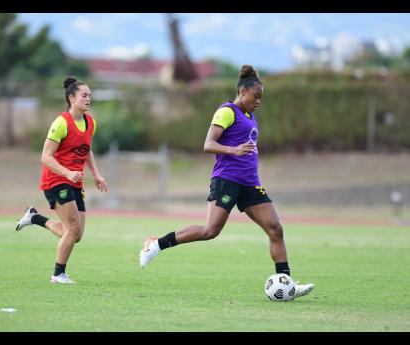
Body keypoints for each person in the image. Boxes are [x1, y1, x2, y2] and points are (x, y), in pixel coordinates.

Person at [139, 65, 314, 299]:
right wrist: (234, 150)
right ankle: (157, 244)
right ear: (243, 92)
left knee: (276, 229)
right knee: (210, 231)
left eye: (261, 97)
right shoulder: (227, 111)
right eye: (256, 96)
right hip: (227, 180)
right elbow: (208, 144)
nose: (259, 101)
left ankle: (288, 284)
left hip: (250, 184)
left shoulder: (250, 116)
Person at [16, 76, 108, 284]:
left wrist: (96, 174)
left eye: (90, 96)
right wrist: (66, 172)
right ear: (72, 98)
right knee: (73, 228)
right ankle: (58, 274)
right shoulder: (61, 123)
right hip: (55, 180)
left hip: (75, 182)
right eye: (84, 95)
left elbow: (87, 151)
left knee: (76, 234)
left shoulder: (90, 122)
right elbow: (46, 157)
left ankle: (34, 218)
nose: (88, 99)